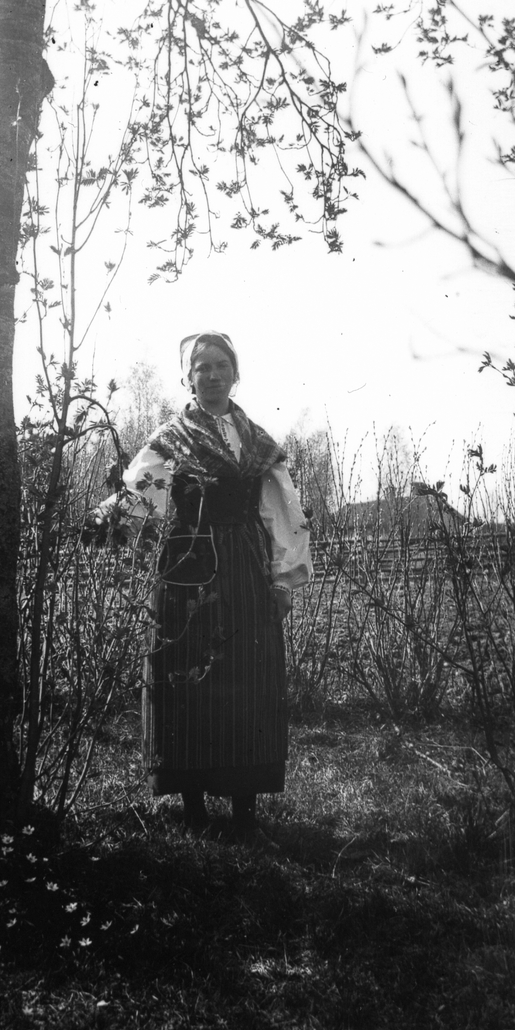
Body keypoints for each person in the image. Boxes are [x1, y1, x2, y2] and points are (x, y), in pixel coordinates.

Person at [100, 331, 312, 842]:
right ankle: (193, 807)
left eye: (221, 365)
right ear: (187, 377)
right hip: (186, 566)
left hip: (244, 568)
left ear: (235, 373)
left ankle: (244, 809)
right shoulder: (170, 439)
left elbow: (280, 512)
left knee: (248, 677)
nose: (213, 375)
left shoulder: (258, 442)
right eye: (202, 367)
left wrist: (284, 579)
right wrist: (105, 523)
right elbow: (140, 496)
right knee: (185, 676)